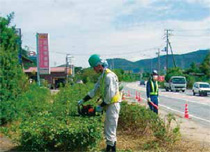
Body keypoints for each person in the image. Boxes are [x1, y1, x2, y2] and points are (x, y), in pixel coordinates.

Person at [78, 54, 121, 152]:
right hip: (108, 104)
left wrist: (99, 106)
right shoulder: (102, 77)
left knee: (111, 129)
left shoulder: (109, 77)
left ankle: (112, 149)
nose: (94, 70)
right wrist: (83, 100)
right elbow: (94, 91)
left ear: (98, 65)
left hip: (113, 105)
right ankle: (109, 148)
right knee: (107, 128)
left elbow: (110, 96)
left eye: (94, 67)